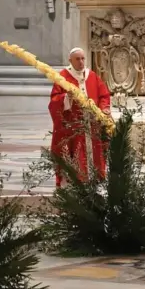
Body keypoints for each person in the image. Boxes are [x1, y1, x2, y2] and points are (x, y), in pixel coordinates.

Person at [48, 47, 112, 187]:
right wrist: (66, 98)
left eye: (83, 58)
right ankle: (73, 183)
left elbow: (104, 95)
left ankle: (94, 181)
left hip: (91, 125)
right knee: (75, 155)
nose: (81, 62)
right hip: (73, 127)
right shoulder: (63, 77)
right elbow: (54, 101)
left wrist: (104, 109)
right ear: (70, 60)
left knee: (93, 154)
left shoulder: (92, 75)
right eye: (77, 59)